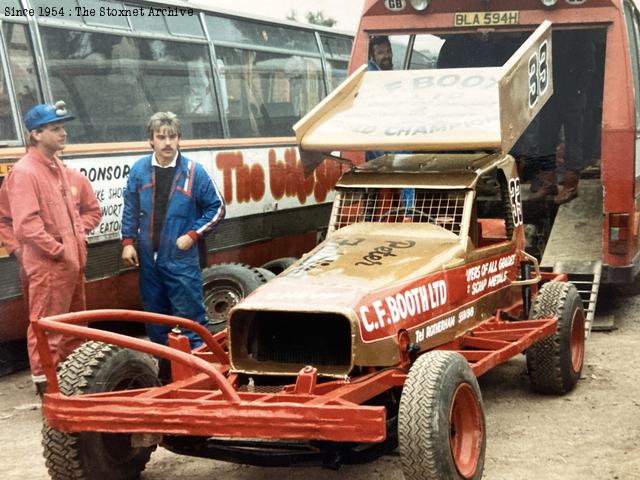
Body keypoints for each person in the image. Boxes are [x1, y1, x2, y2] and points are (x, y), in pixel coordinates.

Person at [0, 101, 100, 395]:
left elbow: (81, 215)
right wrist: (57, 250)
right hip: (49, 265)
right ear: (36, 134)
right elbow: (26, 226)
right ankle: (49, 390)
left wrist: (74, 243)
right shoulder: (25, 172)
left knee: (72, 327)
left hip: (69, 263)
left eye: (63, 128)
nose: (63, 133)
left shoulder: (57, 168)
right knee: (48, 328)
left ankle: (70, 384)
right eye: (55, 129)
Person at [121, 112, 225, 348]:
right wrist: (127, 243)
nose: (167, 143)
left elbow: (217, 208)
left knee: (191, 324)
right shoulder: (139, 170)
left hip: (182, 260)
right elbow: (130, 207)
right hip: (148, 261)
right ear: (151, 140)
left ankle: (202, 378)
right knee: (156, 323)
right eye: (161, 137)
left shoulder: (194, 172)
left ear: (179, 139)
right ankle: (166, 373)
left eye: (172, 137)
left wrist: (192, 236)